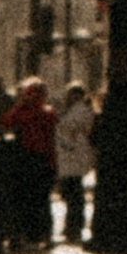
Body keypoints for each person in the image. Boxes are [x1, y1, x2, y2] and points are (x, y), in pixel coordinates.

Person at [3, 75, 57, 246]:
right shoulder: (48, 113)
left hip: (29, 157)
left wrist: (20, 105)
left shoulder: (28, 113)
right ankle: (43, 234)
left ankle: (28, 234)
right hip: (43, 159)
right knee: (41, 199)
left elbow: (8, 121)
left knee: (27, 198)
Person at [54, 78, 98, 243]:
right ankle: (72, 225)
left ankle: (74, 226)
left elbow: (69, 128)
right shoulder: (73, 110)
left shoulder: (81, 111)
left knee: (73, 193)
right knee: (70, 192)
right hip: (69, 156)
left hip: (74, 155)